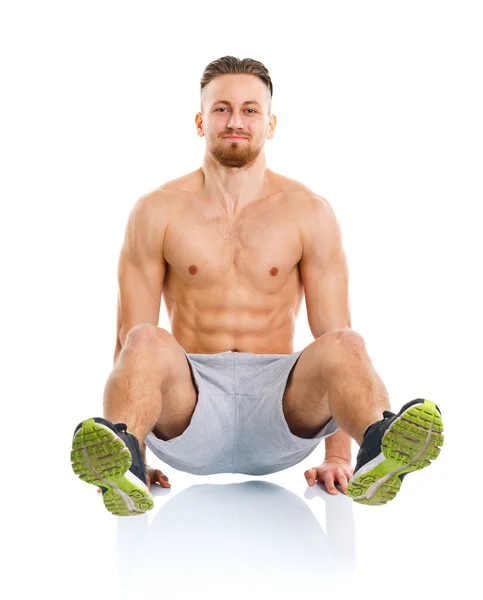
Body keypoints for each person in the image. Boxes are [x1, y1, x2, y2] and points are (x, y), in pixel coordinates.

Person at [70, 56, 444, 516]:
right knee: (144, 338)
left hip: (280, 410)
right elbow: (128, 337)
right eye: (221, 108)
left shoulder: (309, 211)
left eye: (250, 110)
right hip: (189, 410)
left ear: (270, 123)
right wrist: (140, 454)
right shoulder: (156, 211)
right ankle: (122, 460)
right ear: (199, 120)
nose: (235, 121)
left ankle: (377, 451)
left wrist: (336, 457)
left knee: (347, 341)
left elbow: (333, 335)